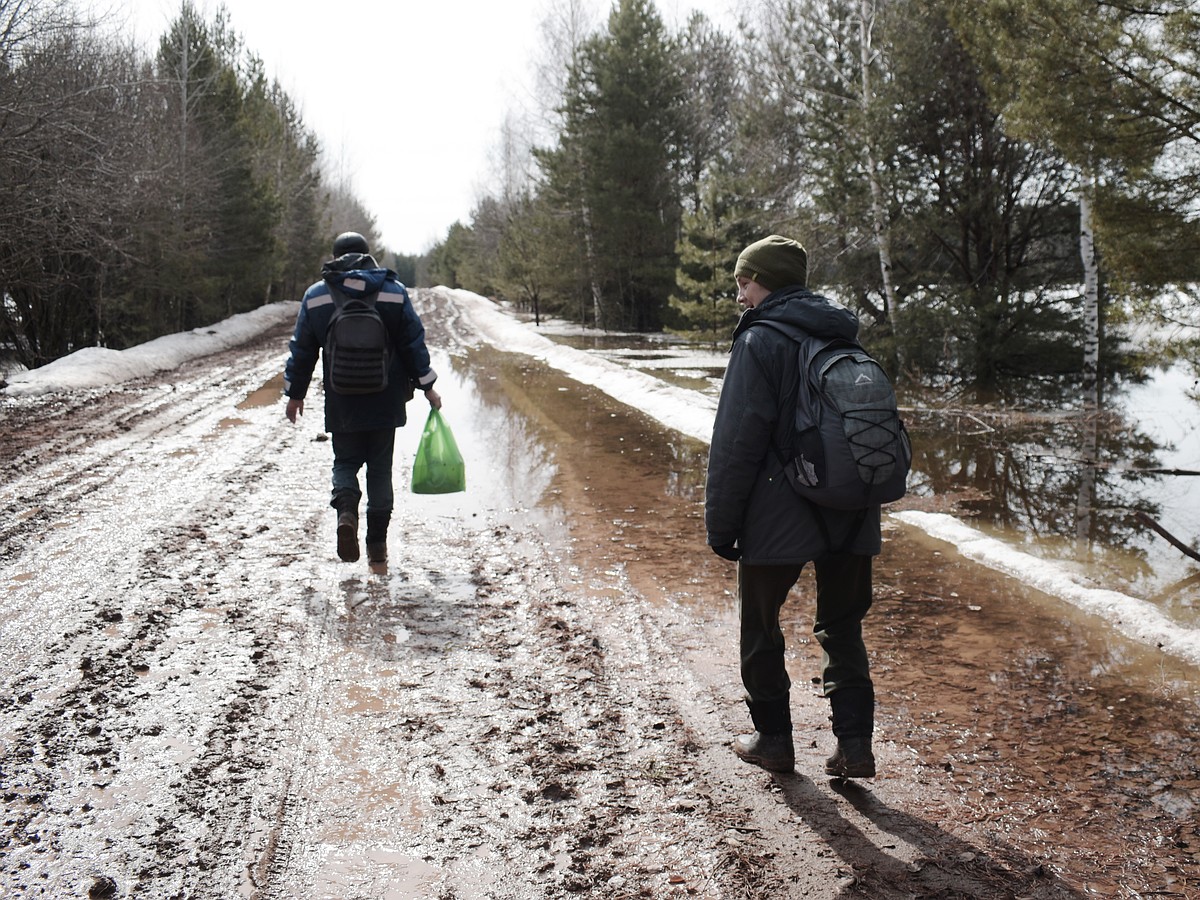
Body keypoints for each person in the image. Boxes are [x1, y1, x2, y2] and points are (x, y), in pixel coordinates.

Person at [705, 234, 880, 779]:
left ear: (768, 282)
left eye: (744, 282)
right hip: (851, 505)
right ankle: (854, 748)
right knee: (843, 624)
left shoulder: (759, 342)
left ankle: (773, 740)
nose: (739, 296)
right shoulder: (845, 336)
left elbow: (737, 443)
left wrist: (722, 523)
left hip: (778, 511)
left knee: (760, 625)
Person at [283, 232, 441, 564]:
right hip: (386, 398)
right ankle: (377, 547)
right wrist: (427, 386)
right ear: (369, 256)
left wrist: (295, 394)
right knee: (380, 471)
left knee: (344, 462)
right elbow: (413, 343)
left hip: (342, 398)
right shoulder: (393, 292)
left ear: (335, 256)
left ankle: (345, 514)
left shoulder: (316, 296)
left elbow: (302, 350)